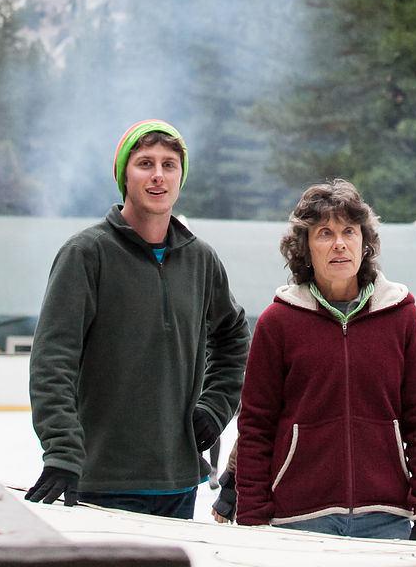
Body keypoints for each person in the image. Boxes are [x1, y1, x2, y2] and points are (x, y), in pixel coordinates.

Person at [25, 118, 249, 518]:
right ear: (123, 176)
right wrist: (61, 449)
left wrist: (215, 407)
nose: (158, 175)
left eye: (169, 164)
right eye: (145, 163)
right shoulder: (86, 254)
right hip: (101, 482)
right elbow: (52, 360)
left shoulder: (201, 260)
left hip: (178, 482)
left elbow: (233, 338)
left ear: (181, 177)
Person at [235, 179, 416, 540]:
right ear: (304, 247)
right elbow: (256, 425)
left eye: (349, 231)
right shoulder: (278, 322)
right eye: (324, 233)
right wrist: (252, 513)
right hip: (299, 519)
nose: (339, 243)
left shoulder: (402, 316)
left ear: (364, 242)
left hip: (386, 518)